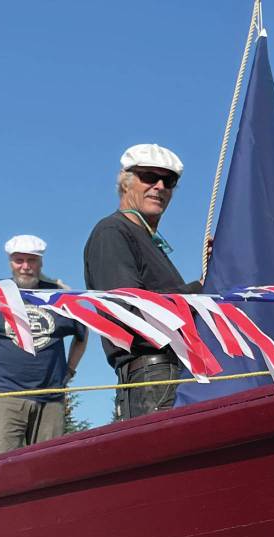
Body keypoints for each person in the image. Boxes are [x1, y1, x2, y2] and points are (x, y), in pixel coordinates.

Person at [83, 143, 203, 419]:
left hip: (172, 373)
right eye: (149, 176)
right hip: (154, 377)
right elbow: (129, 313)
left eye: (169, 180)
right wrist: (201, 290)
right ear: (126, 183)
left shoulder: (150, 244)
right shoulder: (112, 232)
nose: (159, 186)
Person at [0, 235, 88, 456]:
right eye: (19, 260)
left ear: (40, 262)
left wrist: (70, 370)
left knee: (50, 469)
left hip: (51, 400)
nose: (25, 266)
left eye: (31, 260)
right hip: (6, 397)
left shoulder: (58, 295)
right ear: (10, 262)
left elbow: (82, 334)